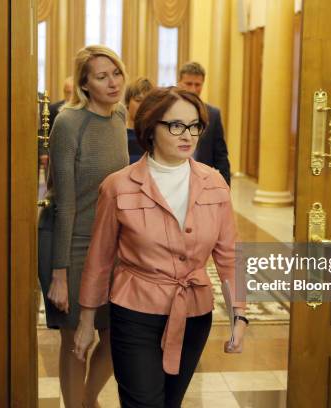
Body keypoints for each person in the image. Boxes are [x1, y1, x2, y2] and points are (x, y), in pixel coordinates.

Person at [73, 87, 247, 408]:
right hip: (135, 312)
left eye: (195, 126)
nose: (188, 135)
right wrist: (86, 322)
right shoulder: (118, 186)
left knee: (170, 403)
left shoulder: (215, 183)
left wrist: (239, 313)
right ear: (151, 128)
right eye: (176, 126)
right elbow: (99, 259)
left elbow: (229, 255)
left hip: (194, 313)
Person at [41, 45, 128, 408]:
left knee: (114, 332)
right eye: (101, 76)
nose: (112, 82)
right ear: (85, 84)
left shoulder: (120, 117)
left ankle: (89, 399)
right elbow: (65, 203)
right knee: (76, 338)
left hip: (111, 245)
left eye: (116, 73)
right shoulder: (68, 122)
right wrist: (59, 274)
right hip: (71, 242)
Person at [177, 62, 231, 186]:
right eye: (188, 84)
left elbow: (221, 156)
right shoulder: (168, 112)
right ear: (179, 82)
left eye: (197, 85)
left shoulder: (213, 114)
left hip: (203, 182)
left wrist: (225, 189)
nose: (193, 89)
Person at [124, 77, 153, 163]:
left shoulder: (155, 137)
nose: (143, 106)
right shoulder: (118, 134)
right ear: (127, 103)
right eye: (138, 100)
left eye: (148, 102)